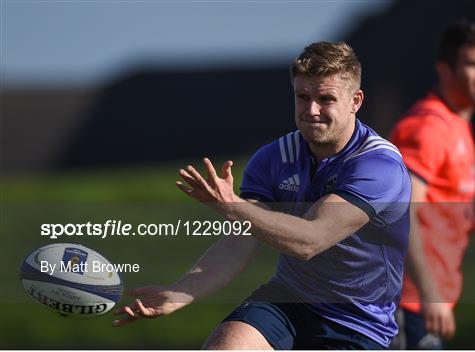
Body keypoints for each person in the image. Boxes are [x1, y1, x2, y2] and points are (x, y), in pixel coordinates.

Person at [113, 41, 411, 350]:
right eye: (303, 97)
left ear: (355, 101)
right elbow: (239, 240)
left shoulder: (379, 166)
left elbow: (310, 240)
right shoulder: (273, 158)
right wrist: (180, 292)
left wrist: (233, 207)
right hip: (289, 299)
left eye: (326, 99)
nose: (311, 110)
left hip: (358, 321)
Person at [389, 20, 475, 349]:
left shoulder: (457, 122)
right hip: (409, 301)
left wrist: (472, 224)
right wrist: (429, 292)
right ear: (445, 70)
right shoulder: (429, 127)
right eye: (472, 65)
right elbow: (400, 211)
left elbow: (436, 200)